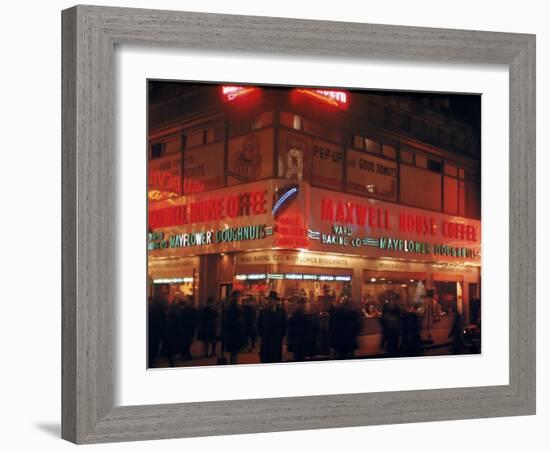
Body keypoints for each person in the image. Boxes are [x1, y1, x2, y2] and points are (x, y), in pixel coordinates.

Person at [258, 291, 287, 363]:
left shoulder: (281, 312)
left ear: (276, 301)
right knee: (266, 359)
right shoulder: (263, 312)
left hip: (277, 340)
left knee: (276, 358)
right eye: (270, 299)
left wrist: (281, 335)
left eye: (273, 300)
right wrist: (262, 335)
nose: (271, 301)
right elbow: (259, 324)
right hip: (266, 339)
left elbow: (284, 324)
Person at [223, 291, 245, 364]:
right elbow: (231, 318)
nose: (239, 298)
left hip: (233, 331)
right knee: (235, 351)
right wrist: (239, 320)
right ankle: (233, 363)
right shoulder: (233, 306)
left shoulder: (231, 305)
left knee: (234, 351)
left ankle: (233, 362)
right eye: (238, 296)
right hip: (234, 331)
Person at [179, 295, 197, 361]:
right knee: (186, 341)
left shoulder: (191, 309)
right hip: (186, 327)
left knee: (187, 341)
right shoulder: (188, 309)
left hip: (189, 327)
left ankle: (186, 354)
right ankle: (187, 354)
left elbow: (194, 319)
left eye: (188, 299)